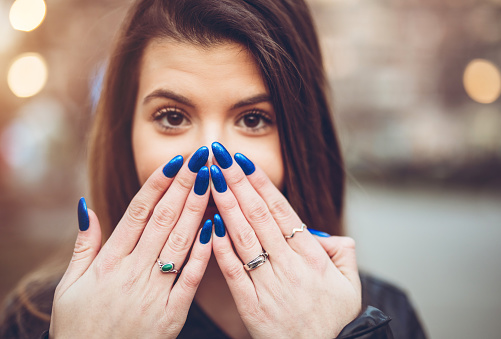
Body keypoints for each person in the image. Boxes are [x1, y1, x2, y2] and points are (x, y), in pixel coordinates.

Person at [0, 0, 426, 338]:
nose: (209, 154)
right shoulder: (46, 317)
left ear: (301, 139)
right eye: (171, 116)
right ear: (123, 131)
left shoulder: (379, 316)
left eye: (254, 119)